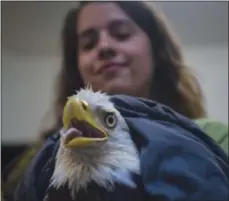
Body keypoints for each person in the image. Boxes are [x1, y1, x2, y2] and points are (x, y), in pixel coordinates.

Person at [2, 2, 228, 201]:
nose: (104, 47)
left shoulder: (213, 137)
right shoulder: (34, 163)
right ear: (77, 67)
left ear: (156, 50)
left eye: (121, 34)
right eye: (89, 44)